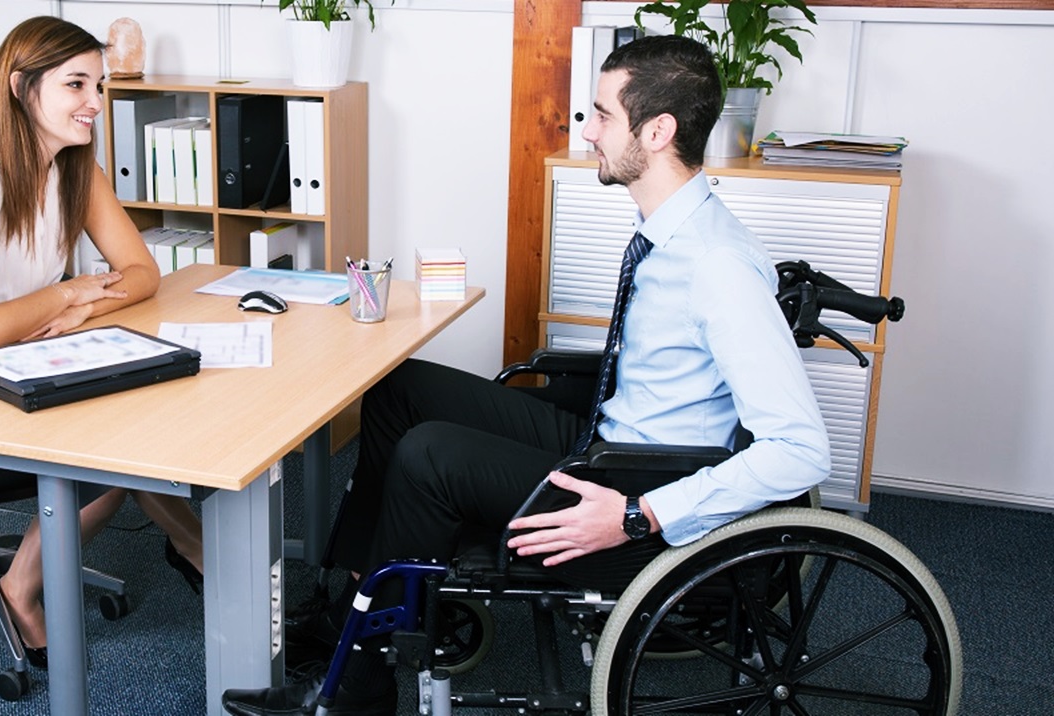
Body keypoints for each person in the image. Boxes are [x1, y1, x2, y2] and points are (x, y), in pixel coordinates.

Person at [222, 34, 831, 716]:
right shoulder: (672, 233)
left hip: (635, 486)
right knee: (399, 390)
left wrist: (637, 515)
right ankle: (355, 607)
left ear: (657, 131)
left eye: (602, 114)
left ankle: (359, 689)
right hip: (605, 437)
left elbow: (801, 449)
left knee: (431, 456)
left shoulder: (718, 264)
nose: (588, 129)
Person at [0, 16, 204, 668]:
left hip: (23, 348)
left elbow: (142, 272)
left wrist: (82, 302)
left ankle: (189, 555)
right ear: (21, 87)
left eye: (100, 84)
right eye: (76, 84)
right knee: (113, 453)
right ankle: (37, 585)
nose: (95, 101)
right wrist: (71, 293)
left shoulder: (74, 169)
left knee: (139, 419)